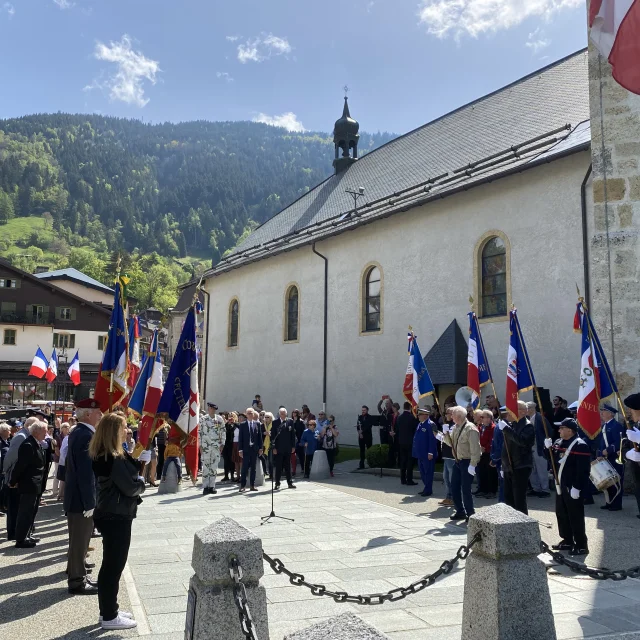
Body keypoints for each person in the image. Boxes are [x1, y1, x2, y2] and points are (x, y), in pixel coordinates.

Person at [90, 411, 148, 630]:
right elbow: (131, 487)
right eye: (124, 427)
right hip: (116, 515)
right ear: (114, 430)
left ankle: (108, 609)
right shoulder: (112, 458)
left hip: (109, 513)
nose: (127, 430)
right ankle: (109, 615)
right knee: (113, 566)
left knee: (111, 565)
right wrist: (142, 480)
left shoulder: (105, 453)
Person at [65, 398, 102, 595]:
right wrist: (90, 502)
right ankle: (77, 582)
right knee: (79, 542)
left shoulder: (81, 432)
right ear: (88, 414)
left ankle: (79, 575)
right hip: (81, 500)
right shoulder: (85, 435)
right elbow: (85, 473)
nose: (100, 415)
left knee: (80, 541)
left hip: (79, 498)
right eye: (97, 412)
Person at [545, 418, 591, 556]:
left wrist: (577, 487)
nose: (559, 430)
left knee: (575, 516)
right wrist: (546, 448)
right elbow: (551, 460)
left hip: (572, 486)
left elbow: (583, 469)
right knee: (562, 513)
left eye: (562, 428)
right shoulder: (559, 442)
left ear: (570, 430)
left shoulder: (579, 445)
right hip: (560, 484)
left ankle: (581, 545)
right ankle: (567, 540)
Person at [9, 421, 47, 548]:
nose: (46, 433)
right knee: (25, 512)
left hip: (35, 485)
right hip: (28, 485)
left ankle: (27, 534)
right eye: (44, 431)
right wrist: (13, 481)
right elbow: (20, 466)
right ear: (36, 431)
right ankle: (20, 539)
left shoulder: (36, 443)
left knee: (32, 512)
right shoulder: (28, 445)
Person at [442, 405, 481, 521]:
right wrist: (445, 435)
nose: (450, 416)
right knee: (454, 487)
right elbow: (451, 444)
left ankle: (471, 513)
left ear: (458, 416)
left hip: (467, 462)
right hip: (458, 461)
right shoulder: (456, 427)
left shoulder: (470, 428)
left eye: (452, 414)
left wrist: (473, 465)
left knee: (466, 489)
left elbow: (476, 449)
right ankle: (460, 511)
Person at [498, 400, 535, 515]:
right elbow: (506, 447)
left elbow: (523, 442)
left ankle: (523, 526)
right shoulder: (512, 425)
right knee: (509, 499)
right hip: (509, 466)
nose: (508, 413)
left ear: (523, 412)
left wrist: (507, 430)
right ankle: (510, 524)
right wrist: (504, 465)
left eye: (512, 410)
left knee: (519, 500)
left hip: (521, 466)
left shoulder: (527, 426)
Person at [3, 417, 35, 540]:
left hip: (19, 477)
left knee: (18, 506)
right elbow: (10, 459)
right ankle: (12, 533)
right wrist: (7, 475)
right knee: (13, 507)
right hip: (14, 477)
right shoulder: (21, 437)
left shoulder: (25, 436)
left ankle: (18, 532)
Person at [596, 403, 625, 511]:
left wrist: (607, 451)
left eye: (604, 411)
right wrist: (599, 455)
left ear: (611, 414)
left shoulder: (616, 426)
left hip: (614, 458)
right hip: (605, 458)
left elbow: (618, 442)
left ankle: (617, 504)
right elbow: (601, 443)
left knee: (616, 480)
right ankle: (609, 502)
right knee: (607, 481)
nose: (601, 413)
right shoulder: (604, 426)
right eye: (601, 411)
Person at [527, 402, 551, 498]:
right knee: (532, 470)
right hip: (530, 448)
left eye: (527, 408)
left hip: (539, 447)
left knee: (541, 469)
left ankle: (545, 489)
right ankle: (535, 488)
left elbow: (549, 431)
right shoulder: (527, 419)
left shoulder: (541, 418)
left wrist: (545, 443)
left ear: (532, 409)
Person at [200, 402, 225, 495]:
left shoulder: (219, 419)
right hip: (205, 446)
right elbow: (199, 432)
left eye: (214, 409)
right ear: (208, 408)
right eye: (211, 408)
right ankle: (205, 486)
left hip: (216, 447)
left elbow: (223, 431)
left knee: (214, 467)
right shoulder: (203, 419)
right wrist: (199, 445)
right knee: (206, 467)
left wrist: (222, 443)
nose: (212, 410)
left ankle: (212, 486)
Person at [413, 407, 438, 497]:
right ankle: (426, 488)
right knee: (423, 473)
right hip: (420, 453)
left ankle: (428, 490)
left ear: (425, 415)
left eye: (419, 415)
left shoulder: (431, 424)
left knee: (428, 472)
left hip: (427, 454)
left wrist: (431, 452)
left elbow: (433, 440)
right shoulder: (420, 424)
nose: (418, 416)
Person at [622, 394, 640, 519]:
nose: (629, 412)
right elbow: (627, 447)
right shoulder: (636, 426)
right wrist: (628, 454)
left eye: (631, 409)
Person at [238, 408, 263, 492]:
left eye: (251, 413)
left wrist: (260, 448)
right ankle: (242, 486)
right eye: (248, 413)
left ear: (253, 414)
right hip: (245, 449)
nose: (250, 414)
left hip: (254, 449)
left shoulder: (257, 424)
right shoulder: (242, 424)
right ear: (246, 414)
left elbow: (260, 437)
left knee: (253, 468)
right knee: (244, 468)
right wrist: (240, 449)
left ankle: (252, 485)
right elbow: (240, 438)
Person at [272, 408, 297, 490]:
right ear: (279, 414)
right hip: (279, 448)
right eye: (281, 413)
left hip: (288, 448)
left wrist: (293, 446)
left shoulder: (290, 421)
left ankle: (290, 483)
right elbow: (273, 436)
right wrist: (274, 448)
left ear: (286, 414)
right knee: (278, 466)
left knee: (288, 466)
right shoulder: (275, 422)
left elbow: (292, 435)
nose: (282, 415)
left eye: (284, 413)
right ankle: (277, 483)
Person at [476, 410, 498, 499]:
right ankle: (483, 489)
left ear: (489, 418)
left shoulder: (494, 428)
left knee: (491, 473)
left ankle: (492, 491)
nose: (481, 419)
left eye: (483, 417)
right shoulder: (481, 427)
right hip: (482, 453)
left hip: (489, 453)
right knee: (482, 471)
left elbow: (492, 440)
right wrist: (479, 446)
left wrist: (485, 447)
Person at [396, 402, 418, 485]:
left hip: (401, 442)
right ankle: (409, 479)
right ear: (410, 407)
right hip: (410, 442)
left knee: (403, 460)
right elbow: (415, 429)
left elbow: (397, 429)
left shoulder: (399, 417)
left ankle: (402, 479)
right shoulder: (412, 417)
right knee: (410, 461)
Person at [438, 407, 455, 507]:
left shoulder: (454, 425)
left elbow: (449, 440)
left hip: (451, 455)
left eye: (447, 413)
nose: (446, 415)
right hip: (446, 455)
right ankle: (448, 497)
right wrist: (438, 434)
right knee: (446, 477)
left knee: (451, 478)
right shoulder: (448, 425)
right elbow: (444, 438)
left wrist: (440, 435)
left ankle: (453, 498)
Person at [490, 410, 505, 503]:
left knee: (504, 482)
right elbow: (498, 445)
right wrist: (495, 458)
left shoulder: (500, 426)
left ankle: (503, 502)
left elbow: (498, 445)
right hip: (502, 459)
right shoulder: (500, 426)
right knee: (503, 482)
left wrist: (494, 459)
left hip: (502, 459)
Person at [356, 405, 374, 470]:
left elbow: (369, 426)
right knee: (362, 451)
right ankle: (361, 465)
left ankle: (371, 464)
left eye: (364, 410)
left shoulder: (370, 417)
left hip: (368, 436)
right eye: (362, 410)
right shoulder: (360, 417)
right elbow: (358, 426)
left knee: (369, 450)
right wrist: (359, 433)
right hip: (361, 437)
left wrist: (362, 431)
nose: (363, 411)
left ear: (367, 410)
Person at [222, 413, 236, 482]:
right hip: (226, 445)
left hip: (232, 445)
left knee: (232, 461)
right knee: (226, 461)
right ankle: (226, 475)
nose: (230, 418)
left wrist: (233, 423)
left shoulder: (236, 425)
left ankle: (232, 475)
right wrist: (227, 423)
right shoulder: (226, 425)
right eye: (229, 417)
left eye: (232, 417)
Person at [292, 409, 305, 477]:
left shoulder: (301, 422)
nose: (294, 414)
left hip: (299, 441)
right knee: (293, 456)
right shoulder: (291, 421)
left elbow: (303, 432)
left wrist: (301, 442)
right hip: (293, 441)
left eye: (295, 412)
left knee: (301, 456)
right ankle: (293, 470)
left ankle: (303, 468)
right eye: (293, 412)